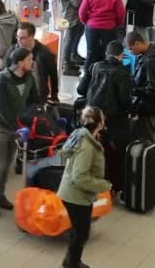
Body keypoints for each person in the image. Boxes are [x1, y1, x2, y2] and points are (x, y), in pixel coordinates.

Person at [57, 106, 111, 268]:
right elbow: (80, 177)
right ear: (100, 123)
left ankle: (72, 261)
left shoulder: (80, 135)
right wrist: (104, 185)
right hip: (76, 195)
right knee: (81, 233)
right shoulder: (86, 146)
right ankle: (71, 263)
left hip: (72, 191)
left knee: (79, 231)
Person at [0, 47, 38, 217]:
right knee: (0, 165)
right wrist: (18, 128)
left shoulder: (30, 77)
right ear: (20, 62)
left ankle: (0, 195)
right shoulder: (2, 79)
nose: (32, 62)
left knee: (7, 164)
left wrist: (35, 119)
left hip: (16, 127)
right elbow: (2, 108)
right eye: (29, 60)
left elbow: (34, 101)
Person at [76, 40, 131, 195]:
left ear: (107, 54)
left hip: (92, 120)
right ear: (121, 55)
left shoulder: (95, 66)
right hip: (114, 122)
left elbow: (81, 89)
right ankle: (113, 187)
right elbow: (125, 101)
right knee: (116, 155)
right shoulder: (123, 73)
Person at [79, 0, 126, 72]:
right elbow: (121, 14)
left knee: (91, 52)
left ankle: (88, 75)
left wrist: (86, 21)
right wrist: (117, 24)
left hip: (92, 28)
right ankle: (106, 74)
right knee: (109, 52)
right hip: (109, 28)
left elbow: (82, 11)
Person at [124, 31, 155, 142]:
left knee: (148, 139)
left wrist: (134, 90)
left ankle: (151, 157)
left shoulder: (152, 60)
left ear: (137, 43)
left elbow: (154, 89)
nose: (131, 52)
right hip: (144, 105)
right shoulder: (145, 55)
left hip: (149, 108)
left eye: (131, 49)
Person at [4, 21, 59, 103]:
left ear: (32, 36)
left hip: (37, 97)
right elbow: (6, 73)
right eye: (17, 36)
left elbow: (53, 74)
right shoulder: (12, 52)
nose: (19, 40)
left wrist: (54, 95)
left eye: (22, 38)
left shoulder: (45, 53)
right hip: (17, 95)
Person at [57, 0, 87, 76]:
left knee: (75, 36)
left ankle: (71, 58)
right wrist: (87, 1)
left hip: (73, 15)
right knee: (69, 39)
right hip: (71, 16)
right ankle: (66, 65)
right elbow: (76, 1)